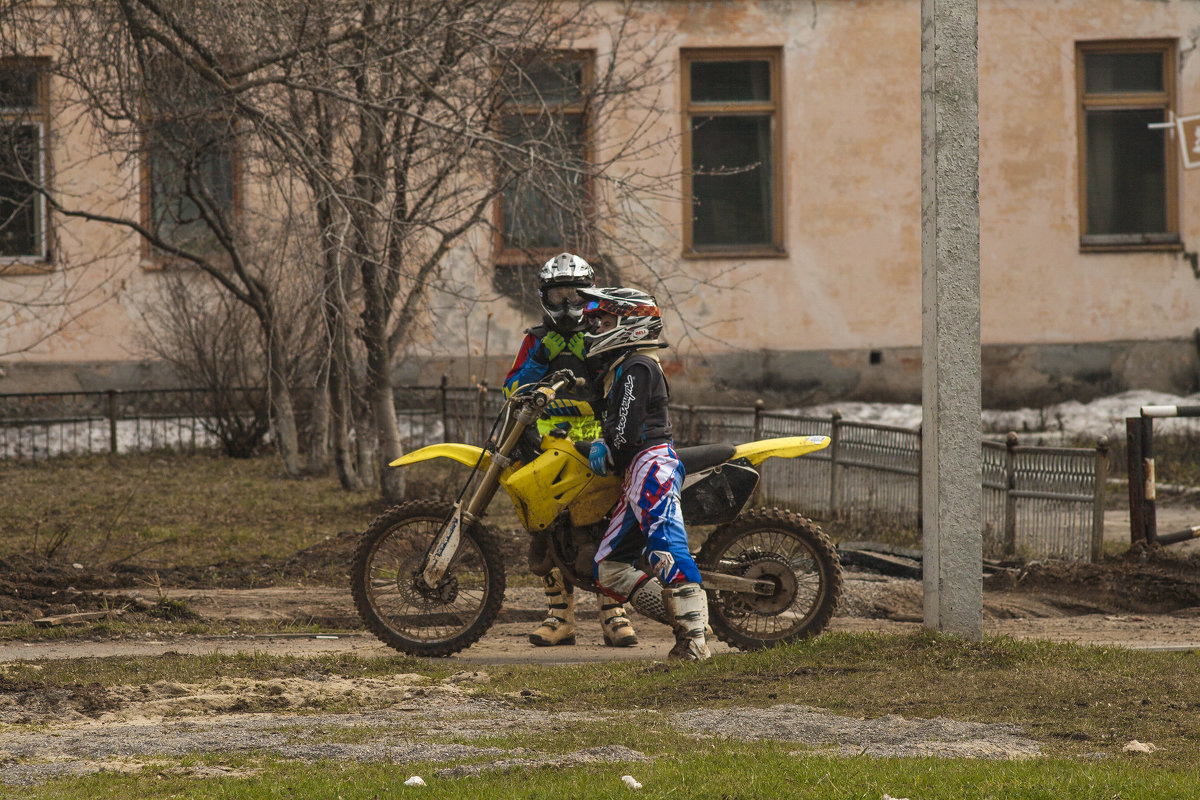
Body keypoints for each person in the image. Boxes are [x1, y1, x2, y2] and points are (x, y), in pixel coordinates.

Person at [503, 253, 638, 649]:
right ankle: (559, 615)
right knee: (547, 530)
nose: (566, 306)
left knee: (605, 526)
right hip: (545, 443)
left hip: (596, 443)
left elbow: (620, 383)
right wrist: (537, 364)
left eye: (574, 296)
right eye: (558, 296)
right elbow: (512, 386)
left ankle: (614, 612)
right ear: (545, 296)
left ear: (588, 295)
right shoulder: (535, 339)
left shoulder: (601, 334)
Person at [579, 286, 711, 661]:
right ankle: (685, 623)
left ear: (630, 323)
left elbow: (625, 428)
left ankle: (695, 640)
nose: (595, 327)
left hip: (652, 465)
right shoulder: (624, 365)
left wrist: (607, 445)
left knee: (667, 547)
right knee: (610, 569)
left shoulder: (638, 366)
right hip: (636, 470)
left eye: (604, 321)